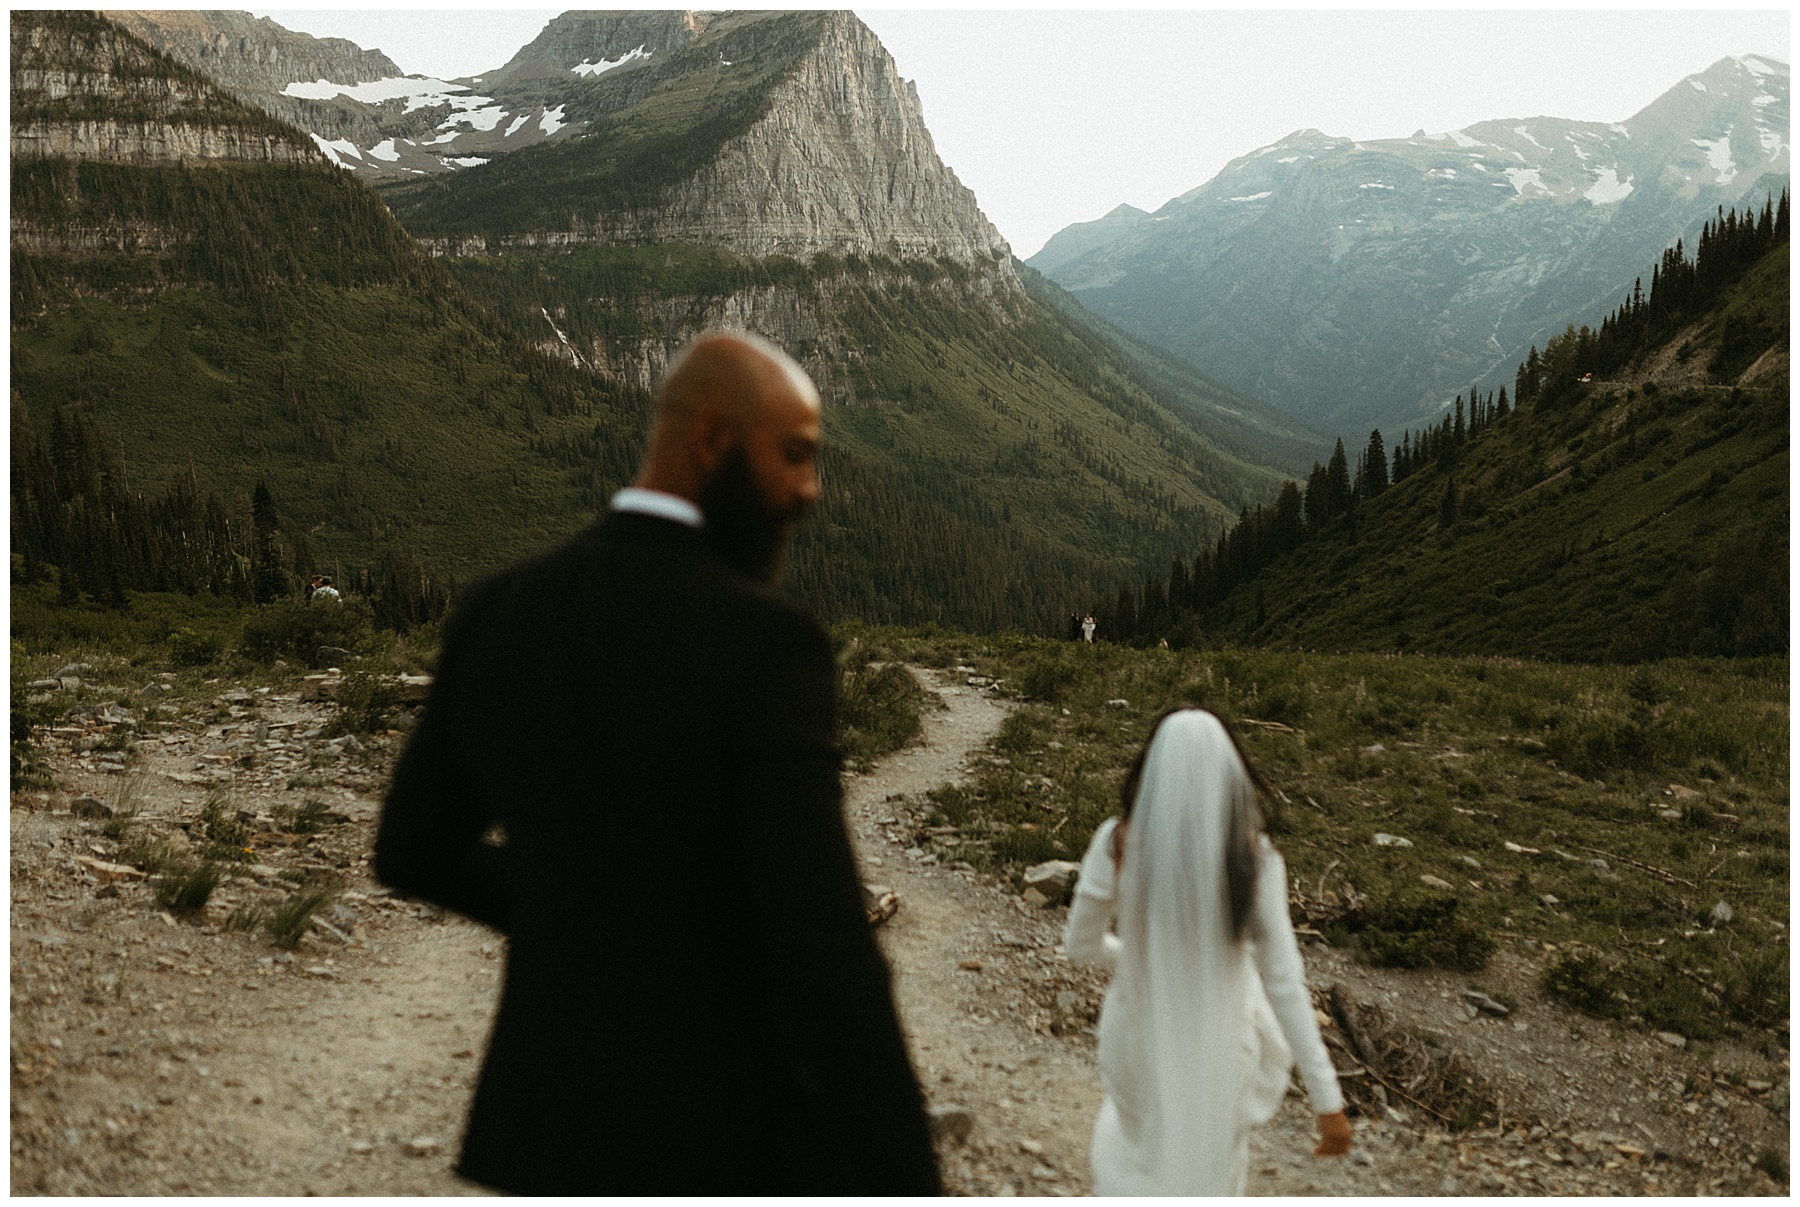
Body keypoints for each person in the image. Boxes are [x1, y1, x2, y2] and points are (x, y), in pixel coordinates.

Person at [374, 331, 941, 1196]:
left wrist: (578, 911)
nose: (809, 490)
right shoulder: (766, 645)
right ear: (712, 441)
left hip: (538, 1130)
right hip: (718, 1140)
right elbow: (825, 950)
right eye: (795, 455)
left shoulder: (500, 609)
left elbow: (411, 846)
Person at [1063, 709, 1351, 1194]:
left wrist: (1139, 960)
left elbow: (1080, 947)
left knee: (1134, 1159)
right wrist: (1328, 1100)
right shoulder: (1254, 858)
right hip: (1225, 1046)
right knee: (1214, 1177)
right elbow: (1283, 982)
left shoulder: (1117, 841)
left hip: (1136, 1039)